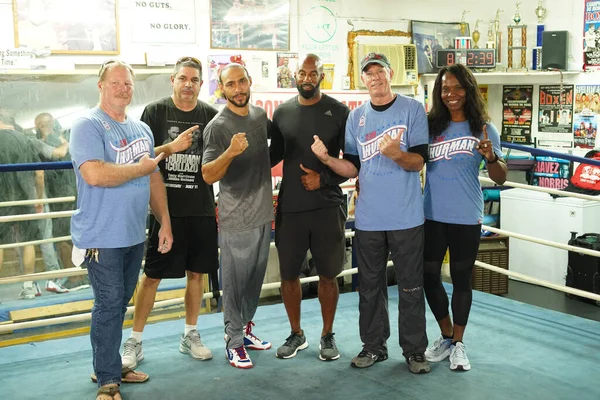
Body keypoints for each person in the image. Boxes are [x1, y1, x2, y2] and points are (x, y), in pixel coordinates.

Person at [310, 52, 430, 374]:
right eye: (368, 73)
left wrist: (396, 154)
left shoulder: (412, 109)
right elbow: (352, 167)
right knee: (370, 287)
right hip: (369, 220)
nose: (375, 77)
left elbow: (419, 161)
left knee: (410, 287)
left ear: (390, 74)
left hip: (406, 217)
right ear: (362, 79)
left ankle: (415, 351)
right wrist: (326, 160)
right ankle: (373, 346)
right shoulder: (356, 117)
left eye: (380, 71)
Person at [69, 60, 173, 400]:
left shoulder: (141, 130)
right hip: (101, 236)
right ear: (101, 85)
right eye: (115, 82)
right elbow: (95, 174)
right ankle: (108, 380)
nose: (122, 88)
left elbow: (153, 177)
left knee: (119, 303)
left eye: (127, 83)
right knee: (110, 303)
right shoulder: (88, 125)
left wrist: (164, 222)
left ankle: (107, 363)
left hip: (132, 234)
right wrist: (137, 168)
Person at [121, 56, 219, 368]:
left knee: (196, 274)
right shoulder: (155, 112)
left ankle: (190, 333)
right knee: (151, 276)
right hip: (166, 210)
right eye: (183, 79)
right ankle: (134, 340)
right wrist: (171, 147)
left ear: (201, 84)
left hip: (201, 209)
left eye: (194, 80)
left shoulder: (212, 117)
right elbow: (143, 158)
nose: (188, 85)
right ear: (172, 80)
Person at [423, 64, 507, 372]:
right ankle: (446, 335)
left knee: (460, 279)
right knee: (428, 276)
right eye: (445, 89)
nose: (451, 94)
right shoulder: (430, 126)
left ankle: (458, 344)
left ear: (468, 90)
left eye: (457, 88)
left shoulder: (483, 127)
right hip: (431, 214)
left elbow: (499, 177)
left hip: (466, 216)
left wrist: (491, 156)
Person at [269, 54, 350, 361]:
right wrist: (237, 165)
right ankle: (296, 333)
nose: (306, 78)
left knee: (328, 275)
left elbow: (351, 164)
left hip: (327, 206)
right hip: (290, 206)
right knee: (288, 274)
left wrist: (324, 179)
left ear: (321, 77)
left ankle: (327, 335)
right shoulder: (282, 112)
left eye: (312, 73)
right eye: (301, 73)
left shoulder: (339, 112)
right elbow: (272, 156)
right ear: (295, 76)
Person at [202, 63, 273, 369]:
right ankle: (232, 341)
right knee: (234, 282)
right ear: (223, 89)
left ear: (249, 81)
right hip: (235, 217)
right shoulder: (217, 127)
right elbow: (207, 175)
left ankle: (244, 330)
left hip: (262, 214)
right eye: (231, 84)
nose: (238, 88)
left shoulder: (259, 116)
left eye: (242, 81)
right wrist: (229, 152)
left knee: (254, 280)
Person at [0, 108, 40, 300]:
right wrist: (38, 198)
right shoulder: (26, 140)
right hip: (26, 198)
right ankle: (28, 287)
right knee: (28, 242)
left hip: (2, 199)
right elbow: (39, 173)